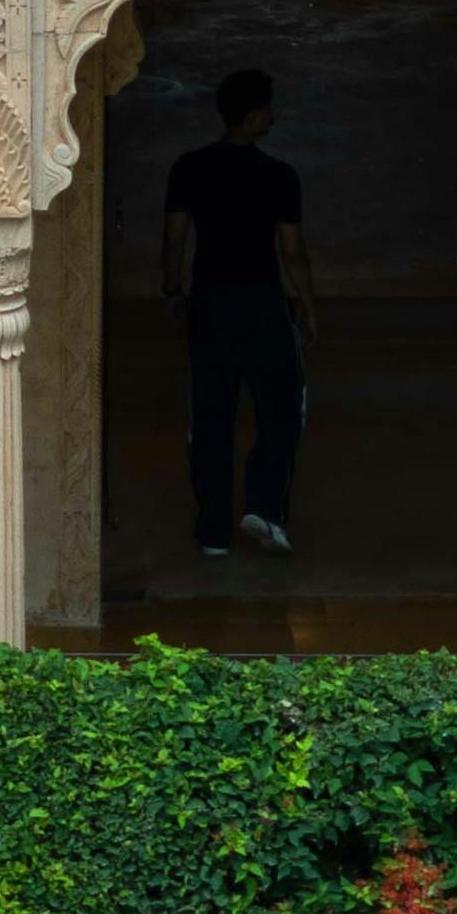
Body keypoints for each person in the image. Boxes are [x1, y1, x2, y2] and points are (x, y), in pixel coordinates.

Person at [160, 68, 307, 556]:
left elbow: (176, 238)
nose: (273, 116)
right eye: (267, 108)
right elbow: (290, 251)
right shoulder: (278, 175)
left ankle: (213, 531)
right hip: (262, 302)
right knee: (279, 408)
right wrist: (307, 306)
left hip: (210, 301)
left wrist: (172, 291)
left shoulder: (190, 168)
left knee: (211, 414)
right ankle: (264, 507)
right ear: (251, 117)